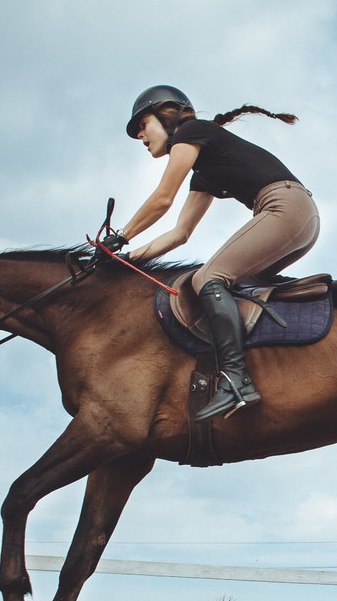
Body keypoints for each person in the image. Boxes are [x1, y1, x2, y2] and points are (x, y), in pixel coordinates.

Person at [108, 85, 320, 422]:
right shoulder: (203, 171)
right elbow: (180, 234)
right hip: (299, 217)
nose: (140, 136)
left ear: (166, 114)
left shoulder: (191, 132)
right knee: (233, 289)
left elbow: (163, 198)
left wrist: (119, 237)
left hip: (284, 208)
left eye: (142, 124)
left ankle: (236, 380)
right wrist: (127, 258)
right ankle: (321, 301)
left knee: (209, 277)